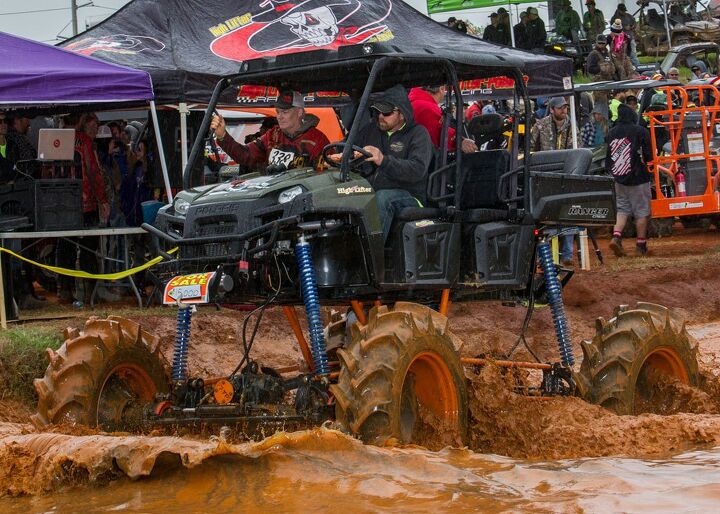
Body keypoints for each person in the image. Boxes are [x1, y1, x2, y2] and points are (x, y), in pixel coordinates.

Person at [355, 85, 433, 242]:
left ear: (402, 114)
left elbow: (417, 170)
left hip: (410, 194)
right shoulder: (370, 131)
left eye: (387, 113)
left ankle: (372, 257)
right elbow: (347, 145)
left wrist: (383, 160)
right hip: (370, 191)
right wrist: (338, 154)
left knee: (383, 198)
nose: (381, 117)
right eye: (378, 112)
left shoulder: (418, 134)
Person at [211, 90, 329, 173]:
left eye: (285, 112)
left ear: (299, 112)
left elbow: (326, 176)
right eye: (278, 112)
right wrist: (223, 136)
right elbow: (245, 155)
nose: (279, 116)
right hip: (272, 196)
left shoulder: (318, 140)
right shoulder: (272, 135)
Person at [607, 104, 654, 257]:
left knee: (622, 209)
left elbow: (608, 158)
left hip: (619, 177)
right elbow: (649, 155)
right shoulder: (640, 131)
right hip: (638, 177)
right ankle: (641, 245)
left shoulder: (611, 132)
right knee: (641, 212)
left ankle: (616, 236)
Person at [408, 86, 477, 153]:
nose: (444, 93)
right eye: (444, 89)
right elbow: (439, 134)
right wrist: (460, 141)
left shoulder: (413, 102)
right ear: (441, 88)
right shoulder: (427, 107)